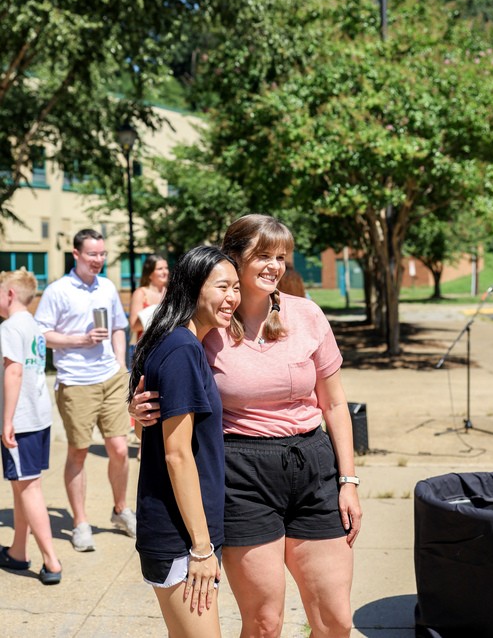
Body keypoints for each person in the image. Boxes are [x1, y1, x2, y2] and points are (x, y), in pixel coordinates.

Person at [130, 214, 362, 638]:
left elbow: (335, 401)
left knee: (336, 621)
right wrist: (140, 406)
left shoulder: (307, 315)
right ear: (233, 258)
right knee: (264, 622)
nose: (275, 265)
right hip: (242, 475)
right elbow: (165, 374)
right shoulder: (208, 325)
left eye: (281, 256)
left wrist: (348, 479)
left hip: (313, 466)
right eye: (263, 255)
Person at [129, 246, 240, 637]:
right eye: (223, 286)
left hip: (180, 531)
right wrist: (201, 548)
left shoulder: (177, 343)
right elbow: (177, 456)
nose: (233, 297)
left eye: (236, 288)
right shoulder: (182, 350)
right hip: (180, 537)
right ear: (193, 287)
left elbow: (148, 432)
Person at [35, 229, 136, 553]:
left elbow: (119, 327)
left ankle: (121, 510)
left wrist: (121, 365)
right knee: (78, 451)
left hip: (110, 377)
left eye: (102, 254)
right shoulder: (58, 291)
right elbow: (42, 334)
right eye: (92, 254)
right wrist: (79, 340)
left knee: (120, 449)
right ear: (76, 255)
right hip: (75, 382)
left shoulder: (106, 287)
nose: (99, 260)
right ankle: (80, 523)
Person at [0, 268, 62, 584]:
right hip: (39, 416)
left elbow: (13, 373)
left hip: (21, 419)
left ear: (9, 294)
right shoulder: (35, 326)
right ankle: (18, 551)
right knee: (22, 485)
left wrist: (7, 420)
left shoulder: (11, 327)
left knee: (29, 486)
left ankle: (51, 561)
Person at [128, 254, 169, 345]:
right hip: (146, 347)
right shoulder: (140, 293)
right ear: (149, 273)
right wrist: (156, 312)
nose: (165, 272)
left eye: (166, 268)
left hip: (167, 344)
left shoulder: (170, 293)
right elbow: (134, 326)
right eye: (160, 269)